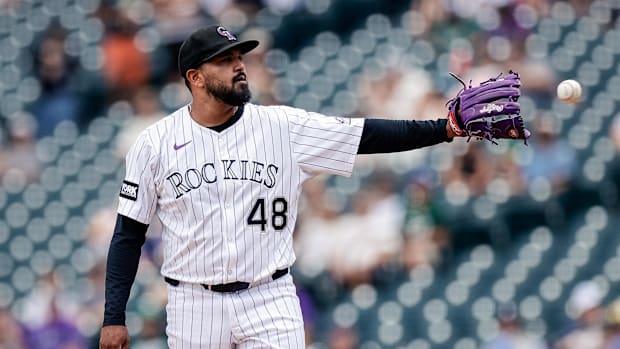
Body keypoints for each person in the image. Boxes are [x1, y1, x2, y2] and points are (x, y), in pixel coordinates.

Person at [99, 24, 482, 348]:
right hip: (193, 302)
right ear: (195, 77)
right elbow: (128, 235)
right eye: (225, 60)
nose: (239, 67)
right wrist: (113, 316)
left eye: (239, 58)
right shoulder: (154, 144)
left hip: (270, 295)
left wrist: (442, 129)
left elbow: (364, 135)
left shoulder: (282, 127)